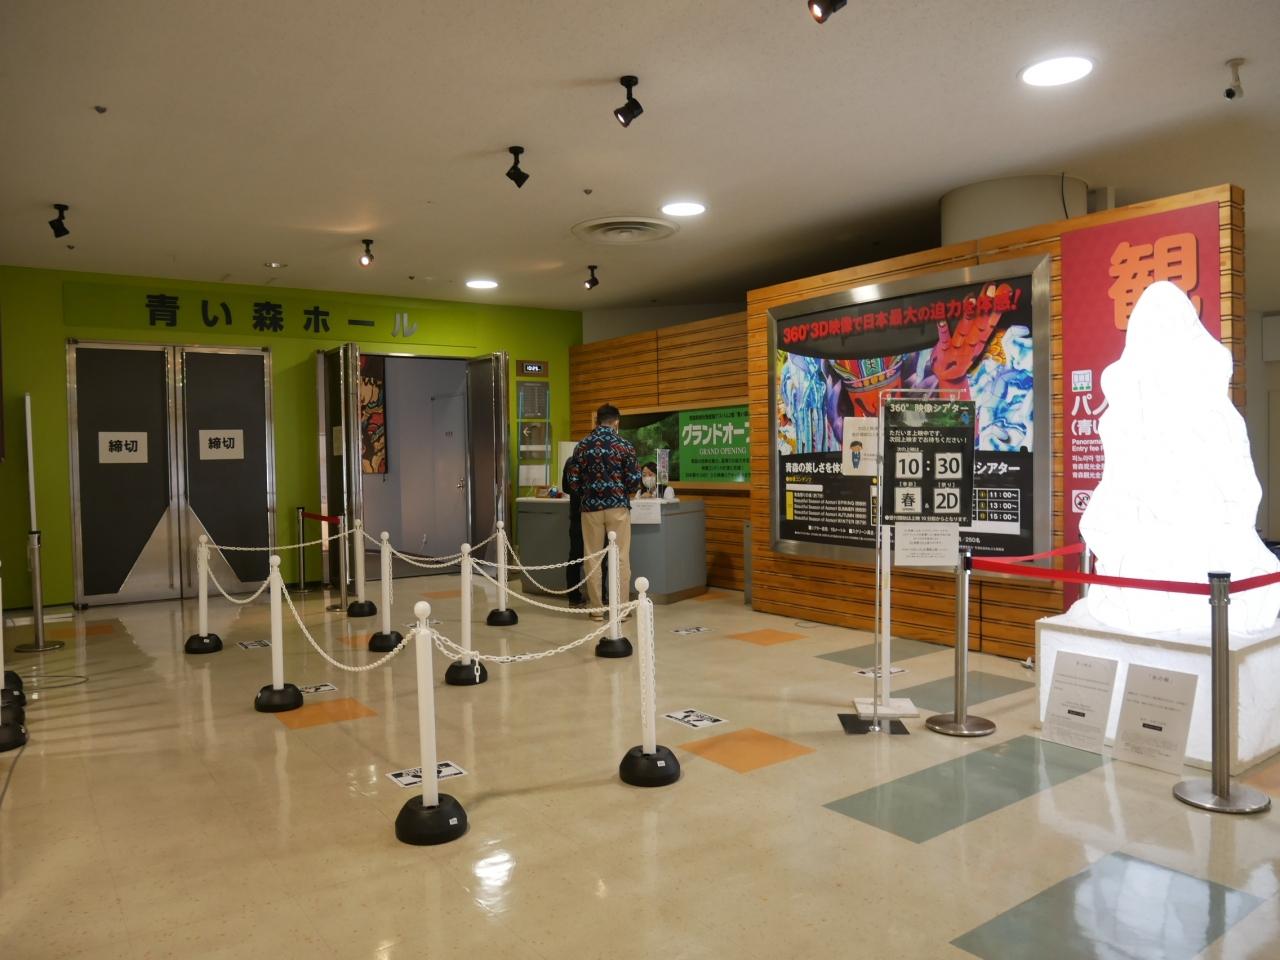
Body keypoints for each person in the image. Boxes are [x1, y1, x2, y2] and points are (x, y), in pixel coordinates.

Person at [565, 403, 642, 621]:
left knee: (593, 558)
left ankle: (596, 609)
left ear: (597, 420)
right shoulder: (624, 445)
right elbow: (634, 480)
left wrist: (588, 493)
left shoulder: (582, 445)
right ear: (616, 421)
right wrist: (621, 492)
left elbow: (572, 480)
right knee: (621, 558)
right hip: (617, 507)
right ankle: (621, 609)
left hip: (590, 509)